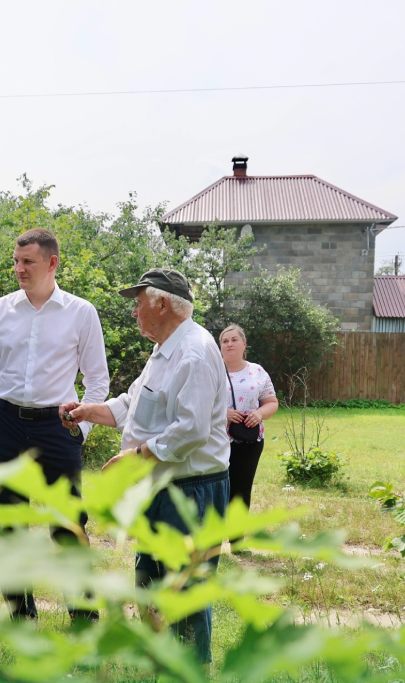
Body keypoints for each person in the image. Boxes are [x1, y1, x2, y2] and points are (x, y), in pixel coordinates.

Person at [59, 268, 229, 664]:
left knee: (183, 596)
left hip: (192, 492)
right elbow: (133, 404)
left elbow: (192, 430)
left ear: (163, 304)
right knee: (150, 584)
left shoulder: (196, 351)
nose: (134, 313)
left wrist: (134, 458)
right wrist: (88, 411)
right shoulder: (163, 349)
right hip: (160, 489)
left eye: (138, 304)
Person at [0, 228, 110, 623]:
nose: (18, 268)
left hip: (56, 427)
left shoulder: (81, 312)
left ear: (52, 263)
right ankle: (21, 618)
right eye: (15, 260)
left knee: (68, 522)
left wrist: (80, 428)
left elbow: (98, 378)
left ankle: (84, 618)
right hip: (5, 423)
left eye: (27, 261)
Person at [219, 324, 278, 511]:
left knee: (241, 490)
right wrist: (222, 413)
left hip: (249, 441)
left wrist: (259, 413)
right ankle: (213, 538)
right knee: (217, 488)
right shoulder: (211, 371)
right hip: (216, 441)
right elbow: (196, 402)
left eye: (234, 340)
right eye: (225, 341)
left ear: (244, 344)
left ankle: (237, 539)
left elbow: (272, 402)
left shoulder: (257, 371)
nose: (229, 344)